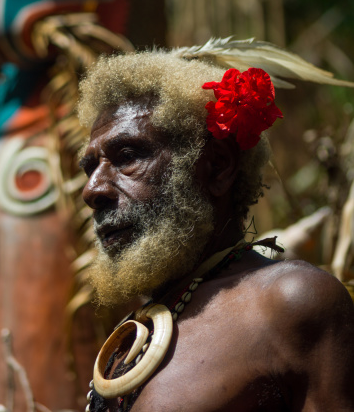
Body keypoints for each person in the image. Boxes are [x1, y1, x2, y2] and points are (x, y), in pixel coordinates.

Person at [77, 50, 354, 412]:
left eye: (127, 155)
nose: (92, 190)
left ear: (217, 167)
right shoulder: (138, 333)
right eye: (90, 167)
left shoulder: (291, 302)